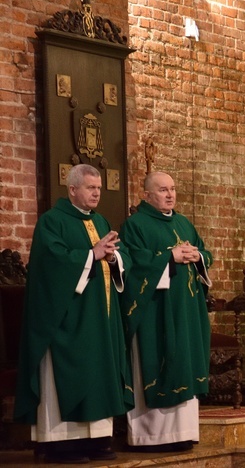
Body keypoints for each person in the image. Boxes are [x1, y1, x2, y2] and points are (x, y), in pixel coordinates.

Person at [14, 163, 130, 464]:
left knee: (98, 373)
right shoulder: (52, 222)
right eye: (91, 188)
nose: (96, 193)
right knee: (66, 375)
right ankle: (60, 445)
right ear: (72, 189)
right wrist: (92, 254)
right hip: (65, 319)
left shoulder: (102, 221)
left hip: (99, 317)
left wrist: (114, 256)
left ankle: (97, 440)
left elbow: (116, 256)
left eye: (99, 188)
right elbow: (52, 264)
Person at [120, 171, 213, 452]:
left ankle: (183, 433)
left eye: (172, 189)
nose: (170, 194)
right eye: (162, 190)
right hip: (154, 313)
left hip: (185, 310)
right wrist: (168, 257)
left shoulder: (184, 223)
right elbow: (132, 266)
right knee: (159, 361)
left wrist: (199, 257)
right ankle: (149, 436)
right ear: (147, 195)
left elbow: (206, 253)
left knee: (183, 362)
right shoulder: (135, 226)